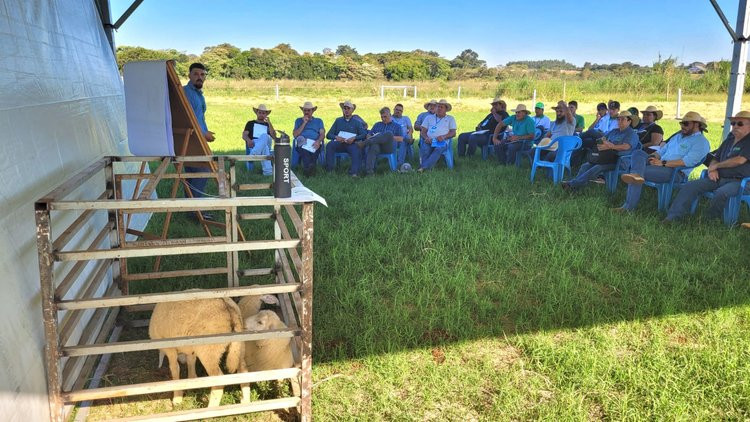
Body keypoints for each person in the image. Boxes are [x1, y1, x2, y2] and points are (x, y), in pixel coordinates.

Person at [615, 111, 710, 212]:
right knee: (638, 153)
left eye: (686, 124)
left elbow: (687, 162)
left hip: (675, 172)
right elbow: (662, 151)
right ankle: (636, 176)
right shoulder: (678, 136)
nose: (682, 126)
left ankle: (628, 206)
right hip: (659, 164)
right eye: (681, 123)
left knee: (637, 172)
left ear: (696, 124)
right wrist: (652, 157)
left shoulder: (701, 142)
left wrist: (663, 163)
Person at [665, 111, 750, 222]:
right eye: (733, 123)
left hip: (741, 182)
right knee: (690, 186)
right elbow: (716, 157)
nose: (734, 126)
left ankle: (709, 221)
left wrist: (717, 166)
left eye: (740, 123)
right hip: (718, 177)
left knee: (721, 193)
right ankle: (672, 217)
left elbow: (739, 160)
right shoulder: (729, 140)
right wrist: (711, 169)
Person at [561, 110, 639, 192]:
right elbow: (601, 140)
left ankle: (572, 184)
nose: (619, 121)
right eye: (618, 119)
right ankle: (575, 186)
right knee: (585, 165)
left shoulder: (631, 134)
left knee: (598, 167)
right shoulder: (614, 131)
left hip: (619, 161)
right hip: (606, 157)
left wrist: (611, 146)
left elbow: (626, 146)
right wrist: (602, 144)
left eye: (622, 119)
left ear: (629, 121)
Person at [182, 63, 216, 220]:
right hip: (192, 139)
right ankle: (196, 211)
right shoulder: (186, 93)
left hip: (198, 138)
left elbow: (199, 118)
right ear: (189, 75)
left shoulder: (197, 93)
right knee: (203, 171)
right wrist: (203, 134)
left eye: (202, 75)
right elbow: (187, 120)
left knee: (191, 174)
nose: (199, 77)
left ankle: (190, 210)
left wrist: (205, 132)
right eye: (196, 74)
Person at [325, 100, 367, 177]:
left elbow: (364, 134)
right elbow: (328, 135)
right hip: (339, 143)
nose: (346, 110)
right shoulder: (338, 121)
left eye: (348, 108)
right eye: (345, 108)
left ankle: (354, 172)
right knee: (329, 145)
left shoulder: (356, 122)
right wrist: (336, 137)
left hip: (351, 143)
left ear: (352, 110)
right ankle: (330, 170)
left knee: (356, 149)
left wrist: (354, 138)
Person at [359, 107, 404, 175]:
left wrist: (386, 137)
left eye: (385, 117)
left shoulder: (397, 126)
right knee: (374, 146)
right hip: (377, 147)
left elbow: (401, 138)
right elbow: (368, 135)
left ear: (390, 115)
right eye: (382, 117)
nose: (383, 119)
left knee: (388, 133)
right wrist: (374, 137)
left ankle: (364, 143)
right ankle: (369, 172)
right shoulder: (377, 124)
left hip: (388, 147)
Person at [576, 100, 620, 166]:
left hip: (608, 140)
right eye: (610, 109)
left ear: (618, 110)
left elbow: (615, 133)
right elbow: (594, 129)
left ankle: (576, 137)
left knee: (591, 132)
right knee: (584, 141)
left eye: (613, 110)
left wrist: (602, 132)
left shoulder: (620, 120)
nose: (611, 111)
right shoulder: (606, 118)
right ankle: (575, 162)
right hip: (599, 139)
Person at [418, 99, 456, 172]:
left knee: (438, 149)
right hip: (429, 140)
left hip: (442, 141)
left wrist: (444, 137)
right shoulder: (429, 118)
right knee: (425, 149)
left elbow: (453, 133)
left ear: (446, 109)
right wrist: (426, 137)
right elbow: (423, 131)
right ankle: (426, 168)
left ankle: (423, 168)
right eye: (438, 106)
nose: (439, 108)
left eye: (442, 107)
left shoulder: (450, 119)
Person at [293, 101, 325, 176]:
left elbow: (322, 134)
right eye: (305, 110)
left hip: (315, 142)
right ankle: (310, 168)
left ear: (312, 111)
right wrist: (304, 123)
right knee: (304, 149)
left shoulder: (318, 121)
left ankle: (308, 169)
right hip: (302, 141)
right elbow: (295, 135)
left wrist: (318, 141)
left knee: (314, 150)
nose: (306, 112)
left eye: (308, 110)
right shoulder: (298, 121)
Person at [241, 104, 275, 176]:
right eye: (260, 112)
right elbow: (244, 135)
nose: (261, 115)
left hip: (265, 141)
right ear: (257, 113)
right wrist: (248, 140)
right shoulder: (250, 123)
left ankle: (254, 154)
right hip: (254, 143)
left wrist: (269, 122)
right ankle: (268, 172)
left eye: (263, 113)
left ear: (266, 114)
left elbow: (274, 136)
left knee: (265, 136)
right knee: (265, 148)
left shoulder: (267, 124)